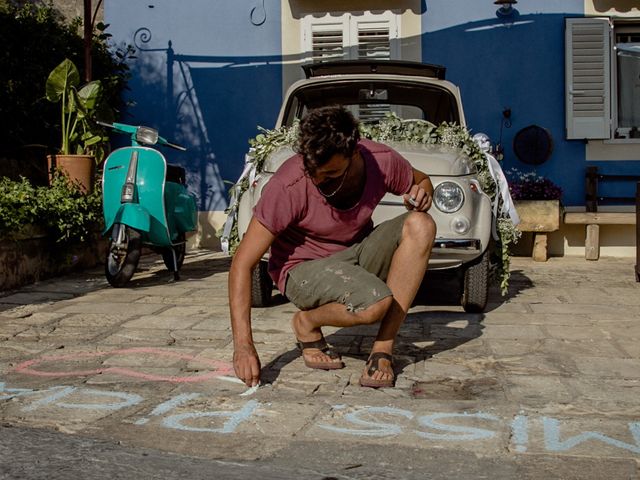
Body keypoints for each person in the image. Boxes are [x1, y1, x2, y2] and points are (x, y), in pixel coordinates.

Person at [229, 105, 435, 389]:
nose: (318, 180)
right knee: (374, 304)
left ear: (354, 153)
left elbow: (421, 180)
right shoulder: (290, 183)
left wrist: (423, 194)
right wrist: (243, 347)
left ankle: (382, 350)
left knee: (422, 224)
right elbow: (242, 263)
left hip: (356, 254)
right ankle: (307, 322)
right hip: (303, 268)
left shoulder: (380, 160)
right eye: (313, 171)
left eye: (330, 174)